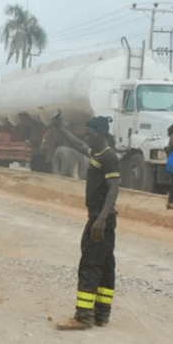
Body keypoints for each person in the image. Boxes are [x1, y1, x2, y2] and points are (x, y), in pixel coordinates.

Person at [51, 114, 120, 330]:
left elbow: (114, 188)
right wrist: (60, 128)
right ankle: (101, 314)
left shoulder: (108, 157)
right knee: (105, 266)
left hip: (100, 219)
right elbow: (78, 144)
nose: (86, 136)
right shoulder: (96, 153)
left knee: (89, 266)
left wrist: (101, 219)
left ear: (101, 134)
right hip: (102, 218)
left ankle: (83, 317)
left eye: (90, 132)